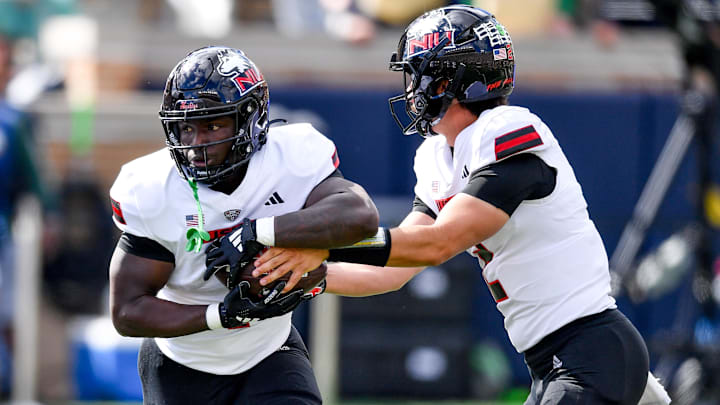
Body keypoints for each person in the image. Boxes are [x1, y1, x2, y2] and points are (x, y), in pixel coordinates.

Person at [248, 5, 670, 404]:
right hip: (555, 361)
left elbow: (436, 244)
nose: (412, 88)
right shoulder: (439, 156)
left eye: (420, 74)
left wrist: (322, 247)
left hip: (590, 351)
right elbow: (395, 269)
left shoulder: (508, 133)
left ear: (452, 79)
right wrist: (307, 274)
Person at [107, 46, 378, 404]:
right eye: (186, 128)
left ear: (250, 118)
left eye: (212, 125)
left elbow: (359, 215)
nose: (195, 146)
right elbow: (127, 311)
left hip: (269, 351)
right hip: (182, 364)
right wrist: (221, 314)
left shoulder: (291, 157)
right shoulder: (152, 188)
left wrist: (257, 232)